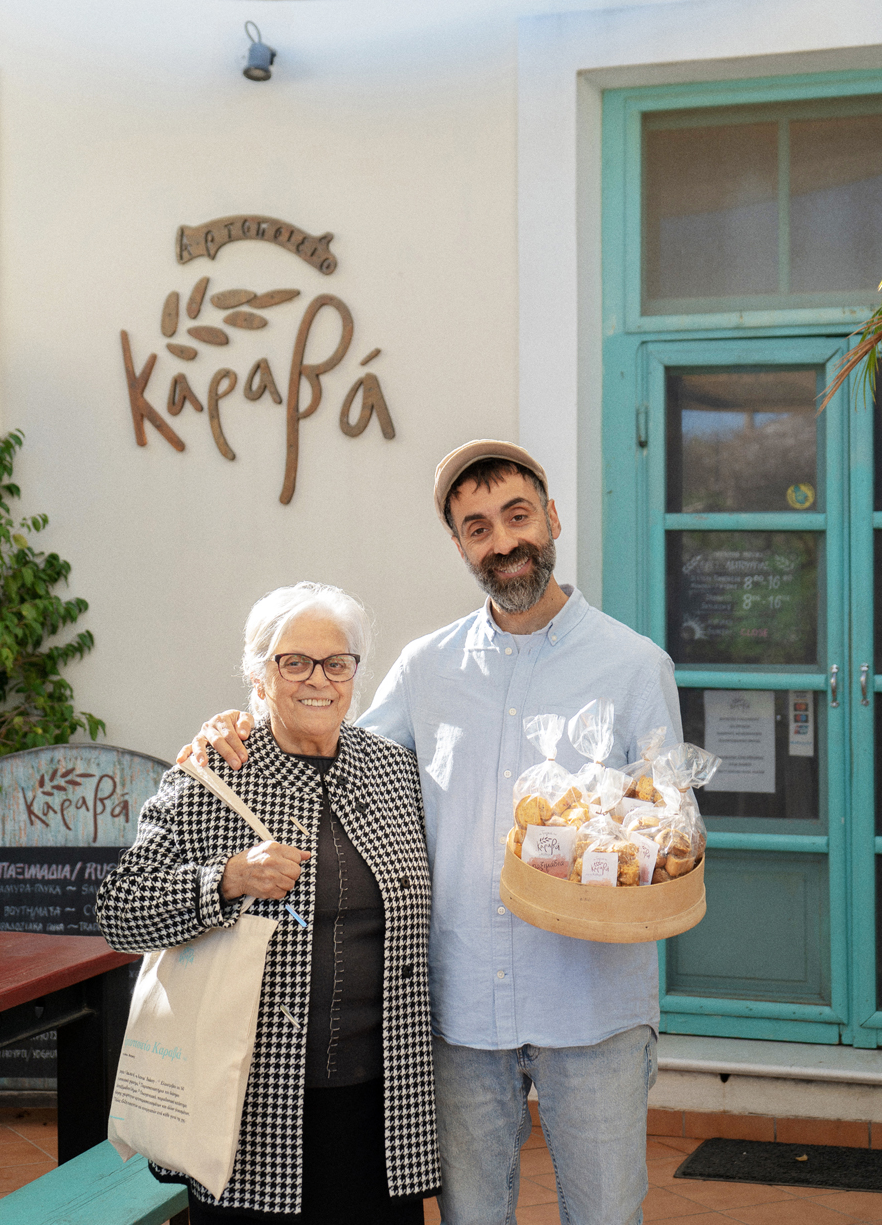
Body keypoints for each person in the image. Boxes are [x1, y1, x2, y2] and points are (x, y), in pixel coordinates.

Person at [183, 441, 684, 1225]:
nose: (503, 541)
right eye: (477, 527)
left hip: (593, 1007)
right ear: (460, 545)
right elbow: (330, 744)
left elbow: (668, 830)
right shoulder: (426, 668)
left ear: (552, 518)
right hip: (462, 1012)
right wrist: (238, 721)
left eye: (517, 516)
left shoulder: (634, 665)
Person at [97, 582, 440, 1225]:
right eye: (295, 662)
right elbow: (119, 910)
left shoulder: (394, 771)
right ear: (259, 674)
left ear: (355, 674)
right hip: (249, 1111)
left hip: (382, 1104)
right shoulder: (212, 774)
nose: (319, 679)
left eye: (337, 663)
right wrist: (226, 880)